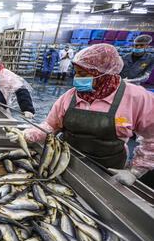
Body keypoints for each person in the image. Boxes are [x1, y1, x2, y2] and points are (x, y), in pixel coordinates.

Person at [9, 44, 154, 188]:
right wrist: (27, 135)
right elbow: (50, 126)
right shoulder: (70, 96)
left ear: (103, 73)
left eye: (83, 74)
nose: (77, 78)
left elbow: (151, 139)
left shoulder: (135, 97)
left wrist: (134, 171)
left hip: (108, 170)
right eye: (76, 72)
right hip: (66, 163)